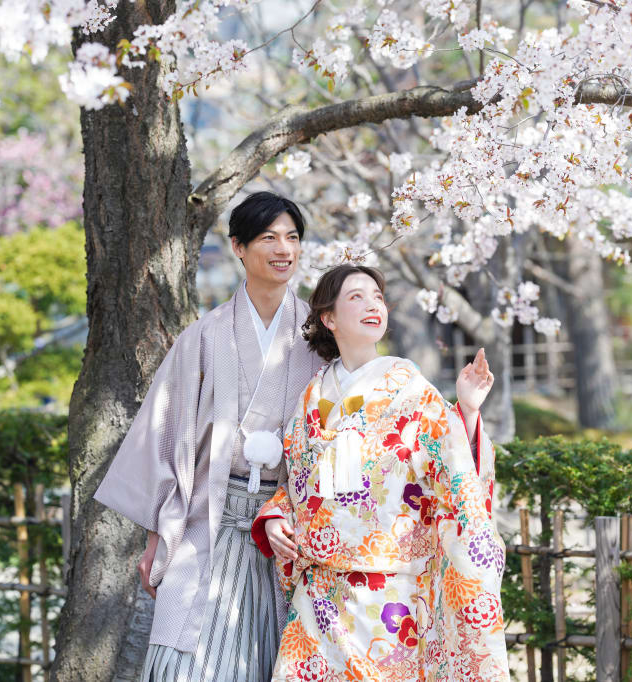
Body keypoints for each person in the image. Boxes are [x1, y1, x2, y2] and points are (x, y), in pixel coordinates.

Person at [93, 192, 493, 682]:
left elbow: (378, 454)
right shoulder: (205, 336)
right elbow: (167, 434)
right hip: (212, 515)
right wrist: (158, 533)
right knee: (187, 661)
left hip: (304, 546)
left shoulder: (320, 346)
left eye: (293, 238)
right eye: (268, 238)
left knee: (272, 660)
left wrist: (466, 413)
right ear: (238, 248)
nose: (283, 249)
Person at [251, 264, 509, 681]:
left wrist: (466, 411)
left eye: (377, 297)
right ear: (328, 318)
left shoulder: (411, 391)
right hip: (319, 595)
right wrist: (278, 516)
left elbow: (456, 474)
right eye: (356, 296)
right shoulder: (308, 399)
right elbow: (300, 484)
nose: (373, 305)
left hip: (392, 598)